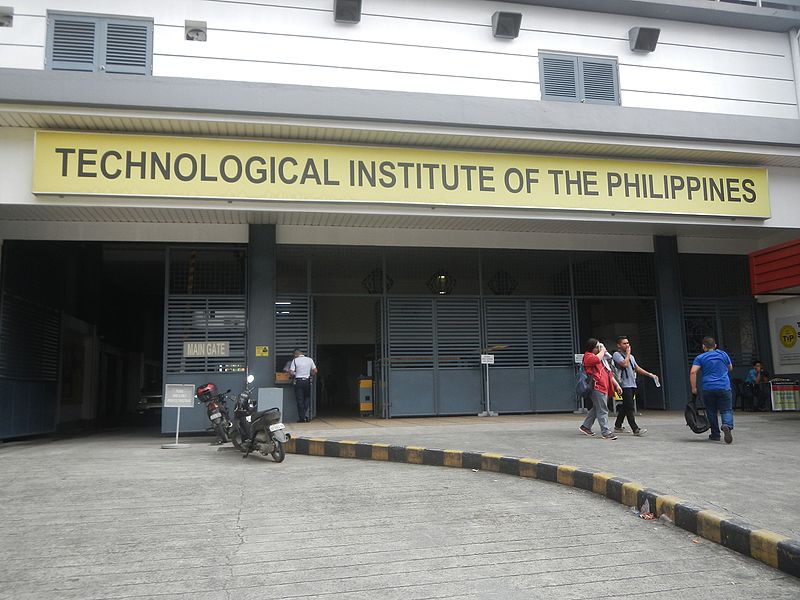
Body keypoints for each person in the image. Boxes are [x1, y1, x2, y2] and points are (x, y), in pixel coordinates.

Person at [690, 337, 734, 444]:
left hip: (709, 388)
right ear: (715, 346)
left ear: (703, 347)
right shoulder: (723, 354)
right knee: (726, 410)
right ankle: (727, 425)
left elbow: (693, 372)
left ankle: (715, 434)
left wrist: (694, 388)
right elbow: (730, 368)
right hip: (724, 387)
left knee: (711, 411)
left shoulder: (700, 357)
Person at [612, 336, 657, 436]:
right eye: (624, 343)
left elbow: (636, 368)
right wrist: (628, 353)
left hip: (632, 384)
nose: (627, 345)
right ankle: (635, 429)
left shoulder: (631, 357)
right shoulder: (617, 355)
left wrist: (649, 374)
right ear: (619, 345)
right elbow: (624, 364)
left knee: (626, 405)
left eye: (628, 343)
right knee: (629, 407)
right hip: (623, 384)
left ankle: (618, 425)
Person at [579, 338, 623, 440]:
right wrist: (603, 350)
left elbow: (609, 373)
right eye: (597, 347)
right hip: (597, 387)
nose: (599, 348)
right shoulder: (588, 356)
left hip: (604, 387)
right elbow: (596, 360)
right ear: (592, 348)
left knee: (597, 408)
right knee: (602, 410)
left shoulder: (602, 360)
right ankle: (606, 432)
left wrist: (617, 385)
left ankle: (585, 426)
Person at [289, 348, 317, 423]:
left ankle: (302, 418)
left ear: (296, 354)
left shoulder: (295, 360)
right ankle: (304, 415)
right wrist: (310, 375)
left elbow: (291, 372)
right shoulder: (310, 360)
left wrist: (295, 374)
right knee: (307, 398)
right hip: (307, 381)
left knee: (300, 400)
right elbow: (315, 371)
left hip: (298, 381)